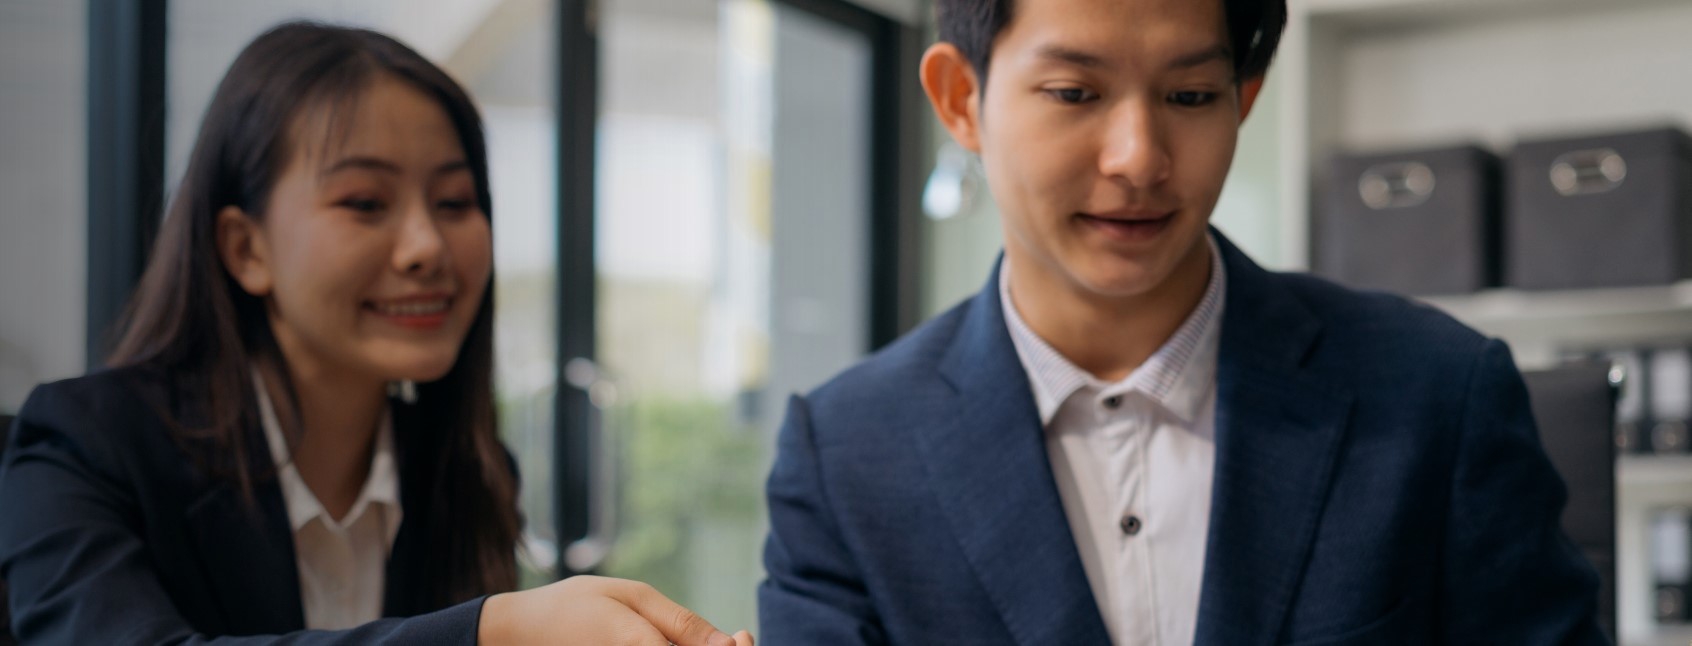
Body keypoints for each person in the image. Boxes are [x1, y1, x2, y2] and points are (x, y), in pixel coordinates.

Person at [757, 0, 1606, 643]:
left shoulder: (1435, 394)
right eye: (1074, 92)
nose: (1139, 157)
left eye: (1191, 94)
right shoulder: (845, 455)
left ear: (1245, 97)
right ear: (960, 99)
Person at [0, 22, 751, 646]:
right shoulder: (83, 445)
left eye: (454, 202)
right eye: (364, 202)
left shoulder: (462, 470)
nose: (426, 246)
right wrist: (489, 633)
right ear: (245, 248)